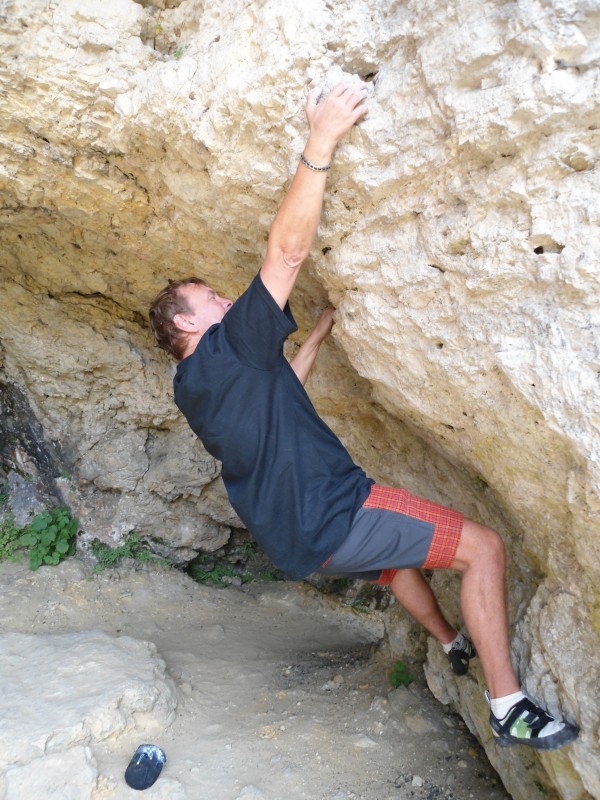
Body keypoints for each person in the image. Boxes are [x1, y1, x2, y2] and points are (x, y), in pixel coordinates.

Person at [149, 82, 579, 751]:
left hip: (299, 544)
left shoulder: (194, 386)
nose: (228, 300)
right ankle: (509, 704)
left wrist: (314, 340)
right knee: (483, 548)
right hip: (341, 514)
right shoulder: (228, 344)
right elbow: (285, 255)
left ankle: (450, 643)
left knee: (399, 567)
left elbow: (276, 397)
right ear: (186, 321)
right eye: (211, 297)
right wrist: (319, 142)